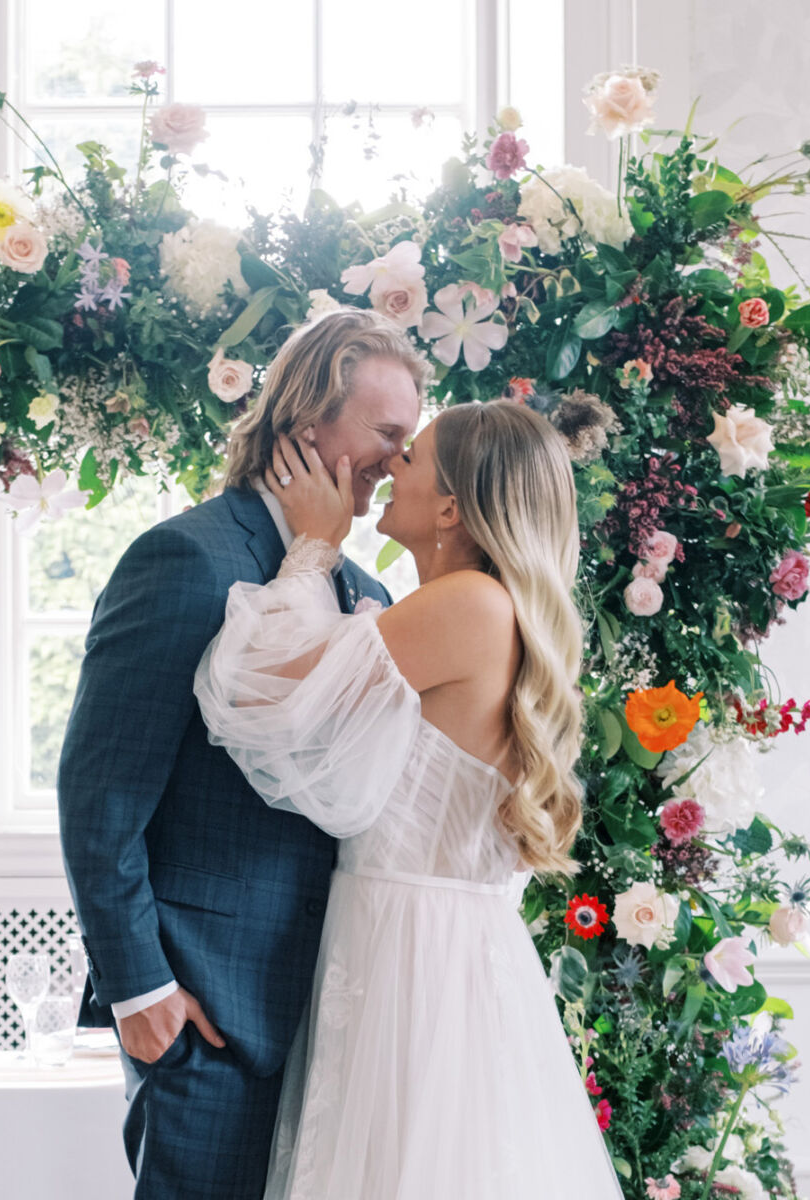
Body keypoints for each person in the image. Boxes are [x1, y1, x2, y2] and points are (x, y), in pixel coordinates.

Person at [194, 401, 622, 1197]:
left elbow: (257, 692)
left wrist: (315, 548)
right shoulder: (477, 607)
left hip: (415, 955)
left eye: (412, 456)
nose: (392, 465)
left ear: (453, 508)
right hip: (427, 940)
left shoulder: (467, 604)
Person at [57, 308, 424, 1198]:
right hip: (202, 1012)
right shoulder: (185, 558)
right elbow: (98, 791)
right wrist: (141, 993)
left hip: (326, 1014)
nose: (396, 461)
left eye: (408, 442)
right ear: (308, 425)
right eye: (385, 434)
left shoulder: (364, 588)